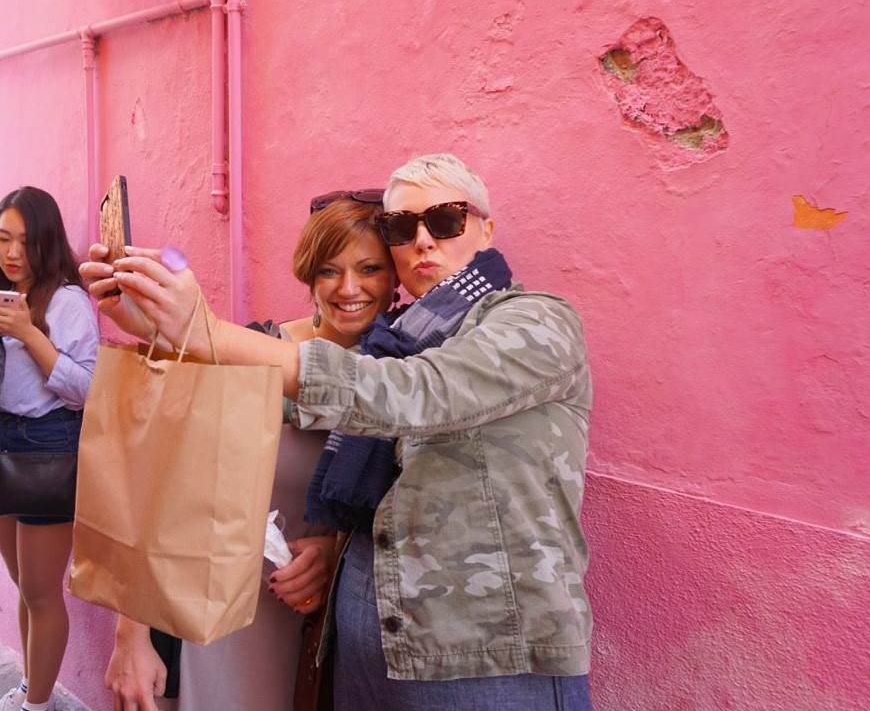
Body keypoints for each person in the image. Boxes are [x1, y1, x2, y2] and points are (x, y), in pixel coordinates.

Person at [83, 154, 594, 710]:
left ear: (485, 229)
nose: (423, 241)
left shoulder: (536, 320)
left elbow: (412, 393)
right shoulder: (394, 343)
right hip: (365, 649)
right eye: (402, 227)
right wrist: (158, 331)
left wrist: (207, 332)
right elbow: (244, 405)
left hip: (488, 661)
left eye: (446, 220)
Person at [101, 192, 396, 710]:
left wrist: (334, 551)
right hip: (219, 622)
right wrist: (132, 634)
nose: (349, 288)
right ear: (309, 277)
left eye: (369, 268)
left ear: (394, 277)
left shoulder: (409, 379)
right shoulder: (252, 350)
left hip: (324, 635)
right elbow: (166, 487)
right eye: (329, 270)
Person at [0, 187, 100, 711]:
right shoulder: (3, 293)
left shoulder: (66, 301)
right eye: (3, 239)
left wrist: (29, 334)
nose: (13, 253)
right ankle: (29, 685)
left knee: (42, 592)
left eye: (25, 240)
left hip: (46, 447)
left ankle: (37, 706)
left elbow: (88, 390)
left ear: (48, 241)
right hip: (4, 441)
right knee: (23, 584)